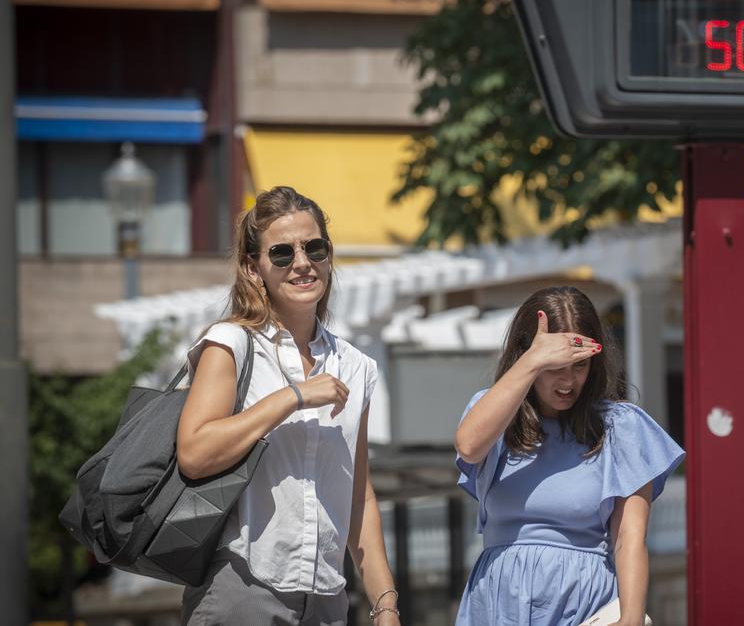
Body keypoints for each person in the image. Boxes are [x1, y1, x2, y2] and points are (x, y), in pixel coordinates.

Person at [176, 187, 401, 626]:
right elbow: (195, 453)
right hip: (242, 587)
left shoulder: (357, 367)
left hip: (328, 600)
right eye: (281, 254)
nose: (302, 263)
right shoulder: (232, 344)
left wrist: (385, 603)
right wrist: (293, 396)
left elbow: (359, 496)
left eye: (313, 248)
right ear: (252, 268)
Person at [453, 286, 684, 626]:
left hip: (585, 602)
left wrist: (631, 619)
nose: (567, 380)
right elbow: (469, 447)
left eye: (579, 365)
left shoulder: (621, 426)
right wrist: (533, 360)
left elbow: (629, 539)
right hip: (499, 602)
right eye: (554, 367)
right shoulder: (495, 412)